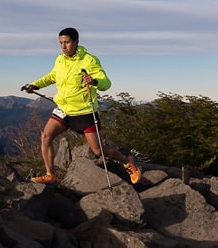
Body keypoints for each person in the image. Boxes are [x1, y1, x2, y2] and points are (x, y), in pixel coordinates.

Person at [21, 27, 141, 185]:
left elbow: (106, 83)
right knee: (45, 137)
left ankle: (128, 162)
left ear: (76, 42)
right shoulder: (60, 60)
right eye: (60, 43)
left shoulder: (89, 60)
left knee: (98, 151)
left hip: (84, 111)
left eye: (67, 42)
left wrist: (94, 81)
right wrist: (34, 85)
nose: (63, 46)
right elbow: (51, 76)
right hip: (64, 109)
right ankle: (50, 175)